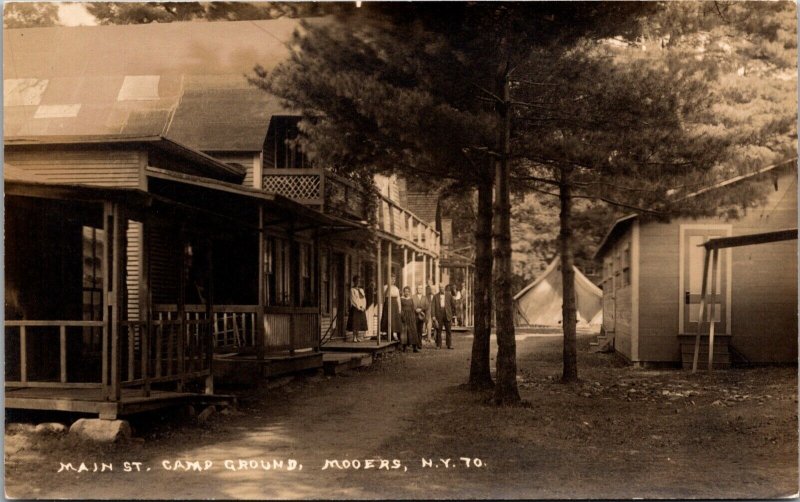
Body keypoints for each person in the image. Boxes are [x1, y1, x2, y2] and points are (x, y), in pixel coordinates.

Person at [431, 284, 456, 349]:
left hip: (447, 314)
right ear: (439, 288)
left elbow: (453, 304)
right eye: (440, 287)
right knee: (439, 330)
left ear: (444, 288)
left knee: (448, 330)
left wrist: (452, 314)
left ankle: (449, 345)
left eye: (442, 287)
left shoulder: (449, 295)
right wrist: (433, 316)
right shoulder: (435, 296)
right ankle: (438, 345)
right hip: (439, 314)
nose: (441, 288)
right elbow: (433, 307)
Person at [380, 273, 402, 341]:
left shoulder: (396, 288)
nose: (393, 280)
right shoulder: (385, 287)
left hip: (395, 304)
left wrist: (399, 307)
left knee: (394, 319)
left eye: (394, 279)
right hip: (388, 303)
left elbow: (398, 298)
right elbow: (384, 295)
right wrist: (389, 287)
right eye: (391, 279)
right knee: (388, 318)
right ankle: (388, 334)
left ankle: (394, 334)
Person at [347, 275, 368, 342]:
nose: (358, 282)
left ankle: (358, 336)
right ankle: (354, 337)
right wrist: (358, 307)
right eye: (356, 281)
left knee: (359, 323)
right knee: (354, 323)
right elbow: (353, 300)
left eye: (359, 281)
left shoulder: (361, 290)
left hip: (361, 308)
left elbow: (364, 299)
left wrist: (363, 307)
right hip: (355, 308)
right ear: (354, 281)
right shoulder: (352, 290)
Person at [400, 286, 421, 352]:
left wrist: (414, 316)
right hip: (404, 316)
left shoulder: (411, 299)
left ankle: (414, 348)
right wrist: (402, 316)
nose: (406, 293)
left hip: (411, 317)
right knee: (405, 332)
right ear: (403, 292)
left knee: (413, 331)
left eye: (408, 291)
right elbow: (400, 308)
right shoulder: (401, 299)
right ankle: (404, 347)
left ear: (409, 292)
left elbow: (413, 308)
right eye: (405, 291)